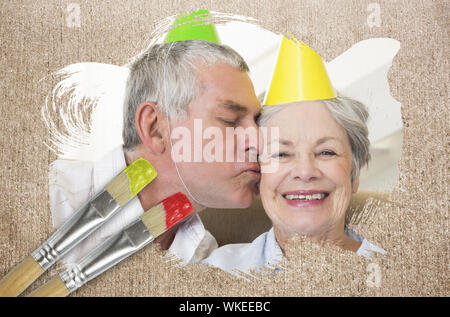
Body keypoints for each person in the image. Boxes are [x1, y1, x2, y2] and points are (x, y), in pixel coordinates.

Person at [50, 39, 262, 266]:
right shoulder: (48, 200)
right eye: (230, 120)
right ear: (155, 128)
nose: (258, 142)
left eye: (257, 122)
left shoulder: (203, 254)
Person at [203, 96, 387, 275]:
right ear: (258, 179)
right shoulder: (216, 275)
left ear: (354, 176)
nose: (305, 172)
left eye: (326, 152)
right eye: (281, 154)